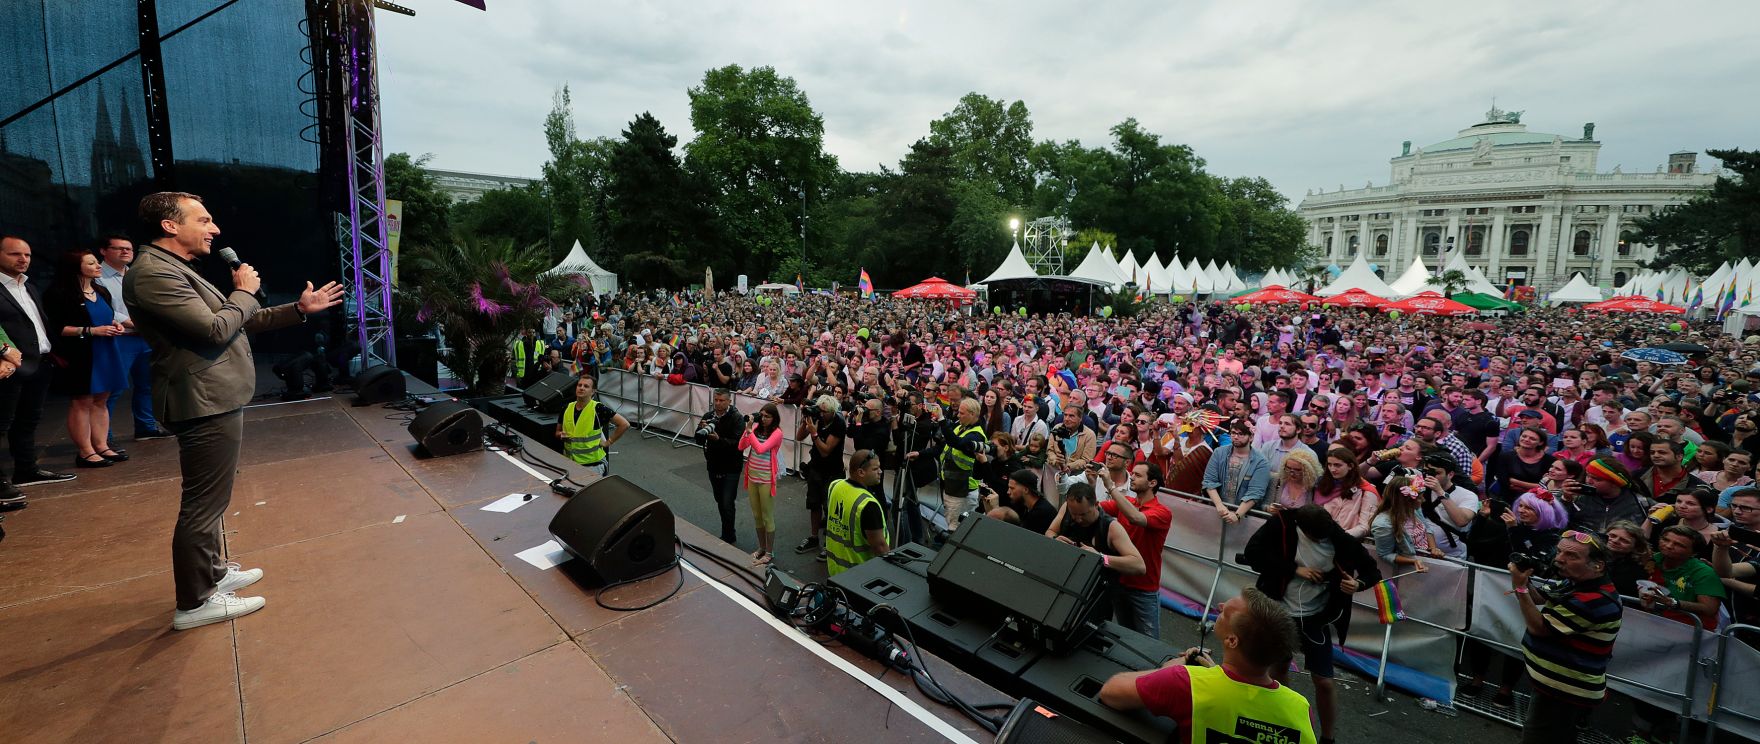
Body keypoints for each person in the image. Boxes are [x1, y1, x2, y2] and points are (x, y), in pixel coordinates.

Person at [123, 192, 344, 630]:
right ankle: (195, 601)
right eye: (203, 220)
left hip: (214, 395)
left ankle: (214, 573)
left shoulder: (177, 268)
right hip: (201, 399)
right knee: (203, 505)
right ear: (170, 226)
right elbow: (214, 328)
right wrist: (244, 291)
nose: (214, 229)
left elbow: (242, 318)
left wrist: (299, 310)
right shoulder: (153, 273)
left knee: (213, 499)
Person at [1099, 587, 1317, 744]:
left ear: (1232, 640)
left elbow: (1111, 691)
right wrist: (1216, 674)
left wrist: (1171, 667)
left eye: (1225, 612)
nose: (1220, 606)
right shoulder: (1301, 709)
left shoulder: (1188, 683)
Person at [1239, 504, 1378, 744]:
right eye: (1315, 537)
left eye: (1324, 536)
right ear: (1301, 528)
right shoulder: (1282, 525)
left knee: (1324, 681)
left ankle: (1327, 737)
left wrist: (1358, 585)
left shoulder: (1340, 539)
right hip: (1279, 612)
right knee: (1277, 669)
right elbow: (1253, 553)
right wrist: (1295, 570)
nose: (1321, 540)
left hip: (1315, 618)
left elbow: (1372, 572)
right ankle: (1283, 721)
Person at [1508, 528, 1623, 744]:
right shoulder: (1575, 582)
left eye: (1572, 556)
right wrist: (1526, 579)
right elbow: (1541, 598)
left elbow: (1540, 628)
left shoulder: (1595, 599)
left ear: (1598, 565)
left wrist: (1520, 588)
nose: (1560, 559)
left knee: (1539, 737)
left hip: (1565, 689)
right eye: (1559, 552)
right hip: (1555, 683)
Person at [0, 235, 75, 499]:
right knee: (2, 424)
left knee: (28, 421)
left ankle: (27, 469)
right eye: (14, 254)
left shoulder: (29, 287)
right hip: (9, 366)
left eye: (27, 255)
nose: (23, 260)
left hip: (40, 362)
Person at [44, 250, 130, 468]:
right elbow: (56, 328)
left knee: (101, 400)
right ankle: (85, 451)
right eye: (91, 263)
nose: (98, 266)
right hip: (81, 353)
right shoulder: (60, 294)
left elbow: (107, 317)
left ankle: (102, 445)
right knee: (82, 401)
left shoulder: (100, 291)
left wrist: (115, 325)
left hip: (106, 349)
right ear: (76, 267)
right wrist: (92, 331)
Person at [93, 235, 170, 441]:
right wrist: (133, 323)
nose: (125, 252)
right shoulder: (97, 275)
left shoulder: (136, 274)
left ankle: (146, 427)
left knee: (147, 385)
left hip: (145, 337)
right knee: (112, 389)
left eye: (129, 249)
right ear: (104, 251)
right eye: (119, 248)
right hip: (119, 338)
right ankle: (103, 438)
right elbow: (102, 308)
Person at [1099, 459, 1175, 639]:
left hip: (1144, 589)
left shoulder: (1163, 512)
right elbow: (1095, 509)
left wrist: (1111, 487)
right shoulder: (1127, 501)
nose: (1131, 478)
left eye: (1138, 475)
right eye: (1132, 474)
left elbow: (1136, 518)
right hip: (1119, 581)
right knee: (1127, 637)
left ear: (1152, 483)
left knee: (1150, 645)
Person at [795, 395, 846, 559]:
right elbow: (799, 437)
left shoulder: (838, 424)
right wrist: (806, 421)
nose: (821, 414)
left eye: (824, 412)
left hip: (833, 471)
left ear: (832, 411)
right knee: (814, 504)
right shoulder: (816, 418)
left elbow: (825, 451)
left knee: (830, 509)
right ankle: (814, 537)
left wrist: (814, 433)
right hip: (815, 468)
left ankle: (829, 543)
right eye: (819, 410)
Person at [825, 449, 889, 577]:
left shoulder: (835, 485)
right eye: (875, 469)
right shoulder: (868, 505)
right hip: (859, 577)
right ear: (861, 472)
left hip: (834, 571)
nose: (880, 472)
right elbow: (880, 548)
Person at [555, 374, 630, 477]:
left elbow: (624, 424)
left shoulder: (598, 409)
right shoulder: (567, 408)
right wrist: (560, 434)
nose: (581, 388)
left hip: (592, 466)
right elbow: (557, 432)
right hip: (570, 464)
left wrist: (608, 442)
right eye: (579, 385)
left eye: (586, 386)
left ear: (593, 391)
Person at [738, 403, 785, 565]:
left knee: (767, 516)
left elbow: (760, 449)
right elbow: (741, 446)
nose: (763, 419)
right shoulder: (755, 428)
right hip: (752, 476)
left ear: (774, 418)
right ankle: (762, 547)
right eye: (762, 415)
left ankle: (769, 552)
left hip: (766, 479)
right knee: (757, 516)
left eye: (767, 416)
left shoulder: (777, 433)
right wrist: (748, 429)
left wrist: (750, 432)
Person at [699, 388, 746, 543]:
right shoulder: (708, 416)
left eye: (721, 400)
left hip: (731, 466)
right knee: (719, 499)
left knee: (727, 501)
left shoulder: (737, 418)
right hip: (713, 464)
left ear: (729, 401)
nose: (718, 403)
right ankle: (727, 529)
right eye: (716, 400)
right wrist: (701, 429)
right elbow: (698, 440)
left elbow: (738, 444)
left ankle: (728, 535)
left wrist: (719, 439)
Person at [1371, 469, 1441, 572]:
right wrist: (1413, 561)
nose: (1423, 500)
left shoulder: (1414, 509)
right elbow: (1385, 554)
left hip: (1424, 563)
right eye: (1420, 498)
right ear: (1406, 501)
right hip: (1404, 571)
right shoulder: (1383, 524)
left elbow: (1427, 528)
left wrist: (1433, 548)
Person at [1203, 418, 1270, 523]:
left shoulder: (1261, 462)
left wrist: (1237, 515)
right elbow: (1209, 481)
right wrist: (1219, 505)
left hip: (1246, 515)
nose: (1235, 437)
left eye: (1241, 434)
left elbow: (1255, 492)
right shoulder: (1219, 453)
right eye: (1233, 433)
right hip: (1216, 509)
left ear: (1251, 437)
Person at [1312, 447, 1379, 538]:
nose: (1332, 469)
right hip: (1318, 538)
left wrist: (1339, 536)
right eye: (1330, 465)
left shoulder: (1366, 491)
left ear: (1350, 466)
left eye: (1337, 465)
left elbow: (1365, 527)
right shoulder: (1322, 485)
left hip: (1346, 541)